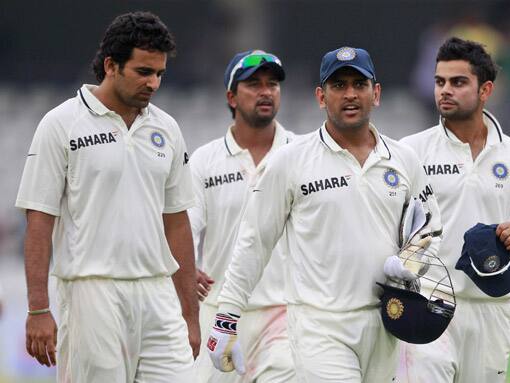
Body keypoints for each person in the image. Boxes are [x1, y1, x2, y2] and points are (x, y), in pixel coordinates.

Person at [206, 46, 441, 382]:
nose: (350, 94)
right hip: (319, 326)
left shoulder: (403, 159)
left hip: (386, 321)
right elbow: (254, 242)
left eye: (359, 85)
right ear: (321, 96)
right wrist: (226, 317)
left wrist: (410, 263)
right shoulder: (290, 161)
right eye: (338, 85)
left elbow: (430, 228)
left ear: (376, 93)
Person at [15, 11, 200, 382]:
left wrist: (191, 315)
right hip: (91, 292)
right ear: (111, 65)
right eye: (144, 72)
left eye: (160, 73)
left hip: (157, 293)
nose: (154, 83)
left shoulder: (166, 128)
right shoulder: (61, 123)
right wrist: (38, 309)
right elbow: (39, 220)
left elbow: (176, 222)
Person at [397, 37, 510, 383]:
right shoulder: (411, 151)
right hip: (429, 300)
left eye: (458, 82)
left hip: (490, 309)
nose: (445, 91)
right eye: (440, 82)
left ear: (486, 90)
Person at [189, 50, 296, 382]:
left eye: (272, 84)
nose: (266, 91)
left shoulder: (301, 153)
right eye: (253, 84)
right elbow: (187, 226)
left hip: (284, 312)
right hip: (219, 311)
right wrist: (186, 264)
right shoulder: (204, 160)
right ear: (231, 96)